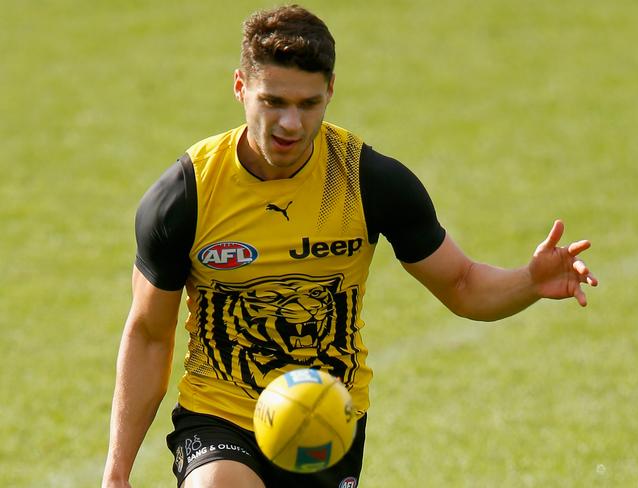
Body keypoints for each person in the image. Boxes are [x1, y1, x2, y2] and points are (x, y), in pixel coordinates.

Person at [101, 5, 598, 488]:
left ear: (330, 92)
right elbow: (148, 334)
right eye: (273, 101)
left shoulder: (367, 181)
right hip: (221, 413)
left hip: (326, 420)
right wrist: (117, 471)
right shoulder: (186, 196)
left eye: (308, 104)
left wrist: (528, 281)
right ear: (240, 88)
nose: (290, 124)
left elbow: (463, 285)